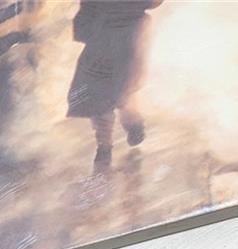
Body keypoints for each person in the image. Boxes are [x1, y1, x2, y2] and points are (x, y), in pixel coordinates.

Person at [66, 0, 164, 172]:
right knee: (115, 91)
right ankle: (117, 135)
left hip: (113, 36)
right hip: (119, 36)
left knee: (111, 92)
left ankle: (114, 138)